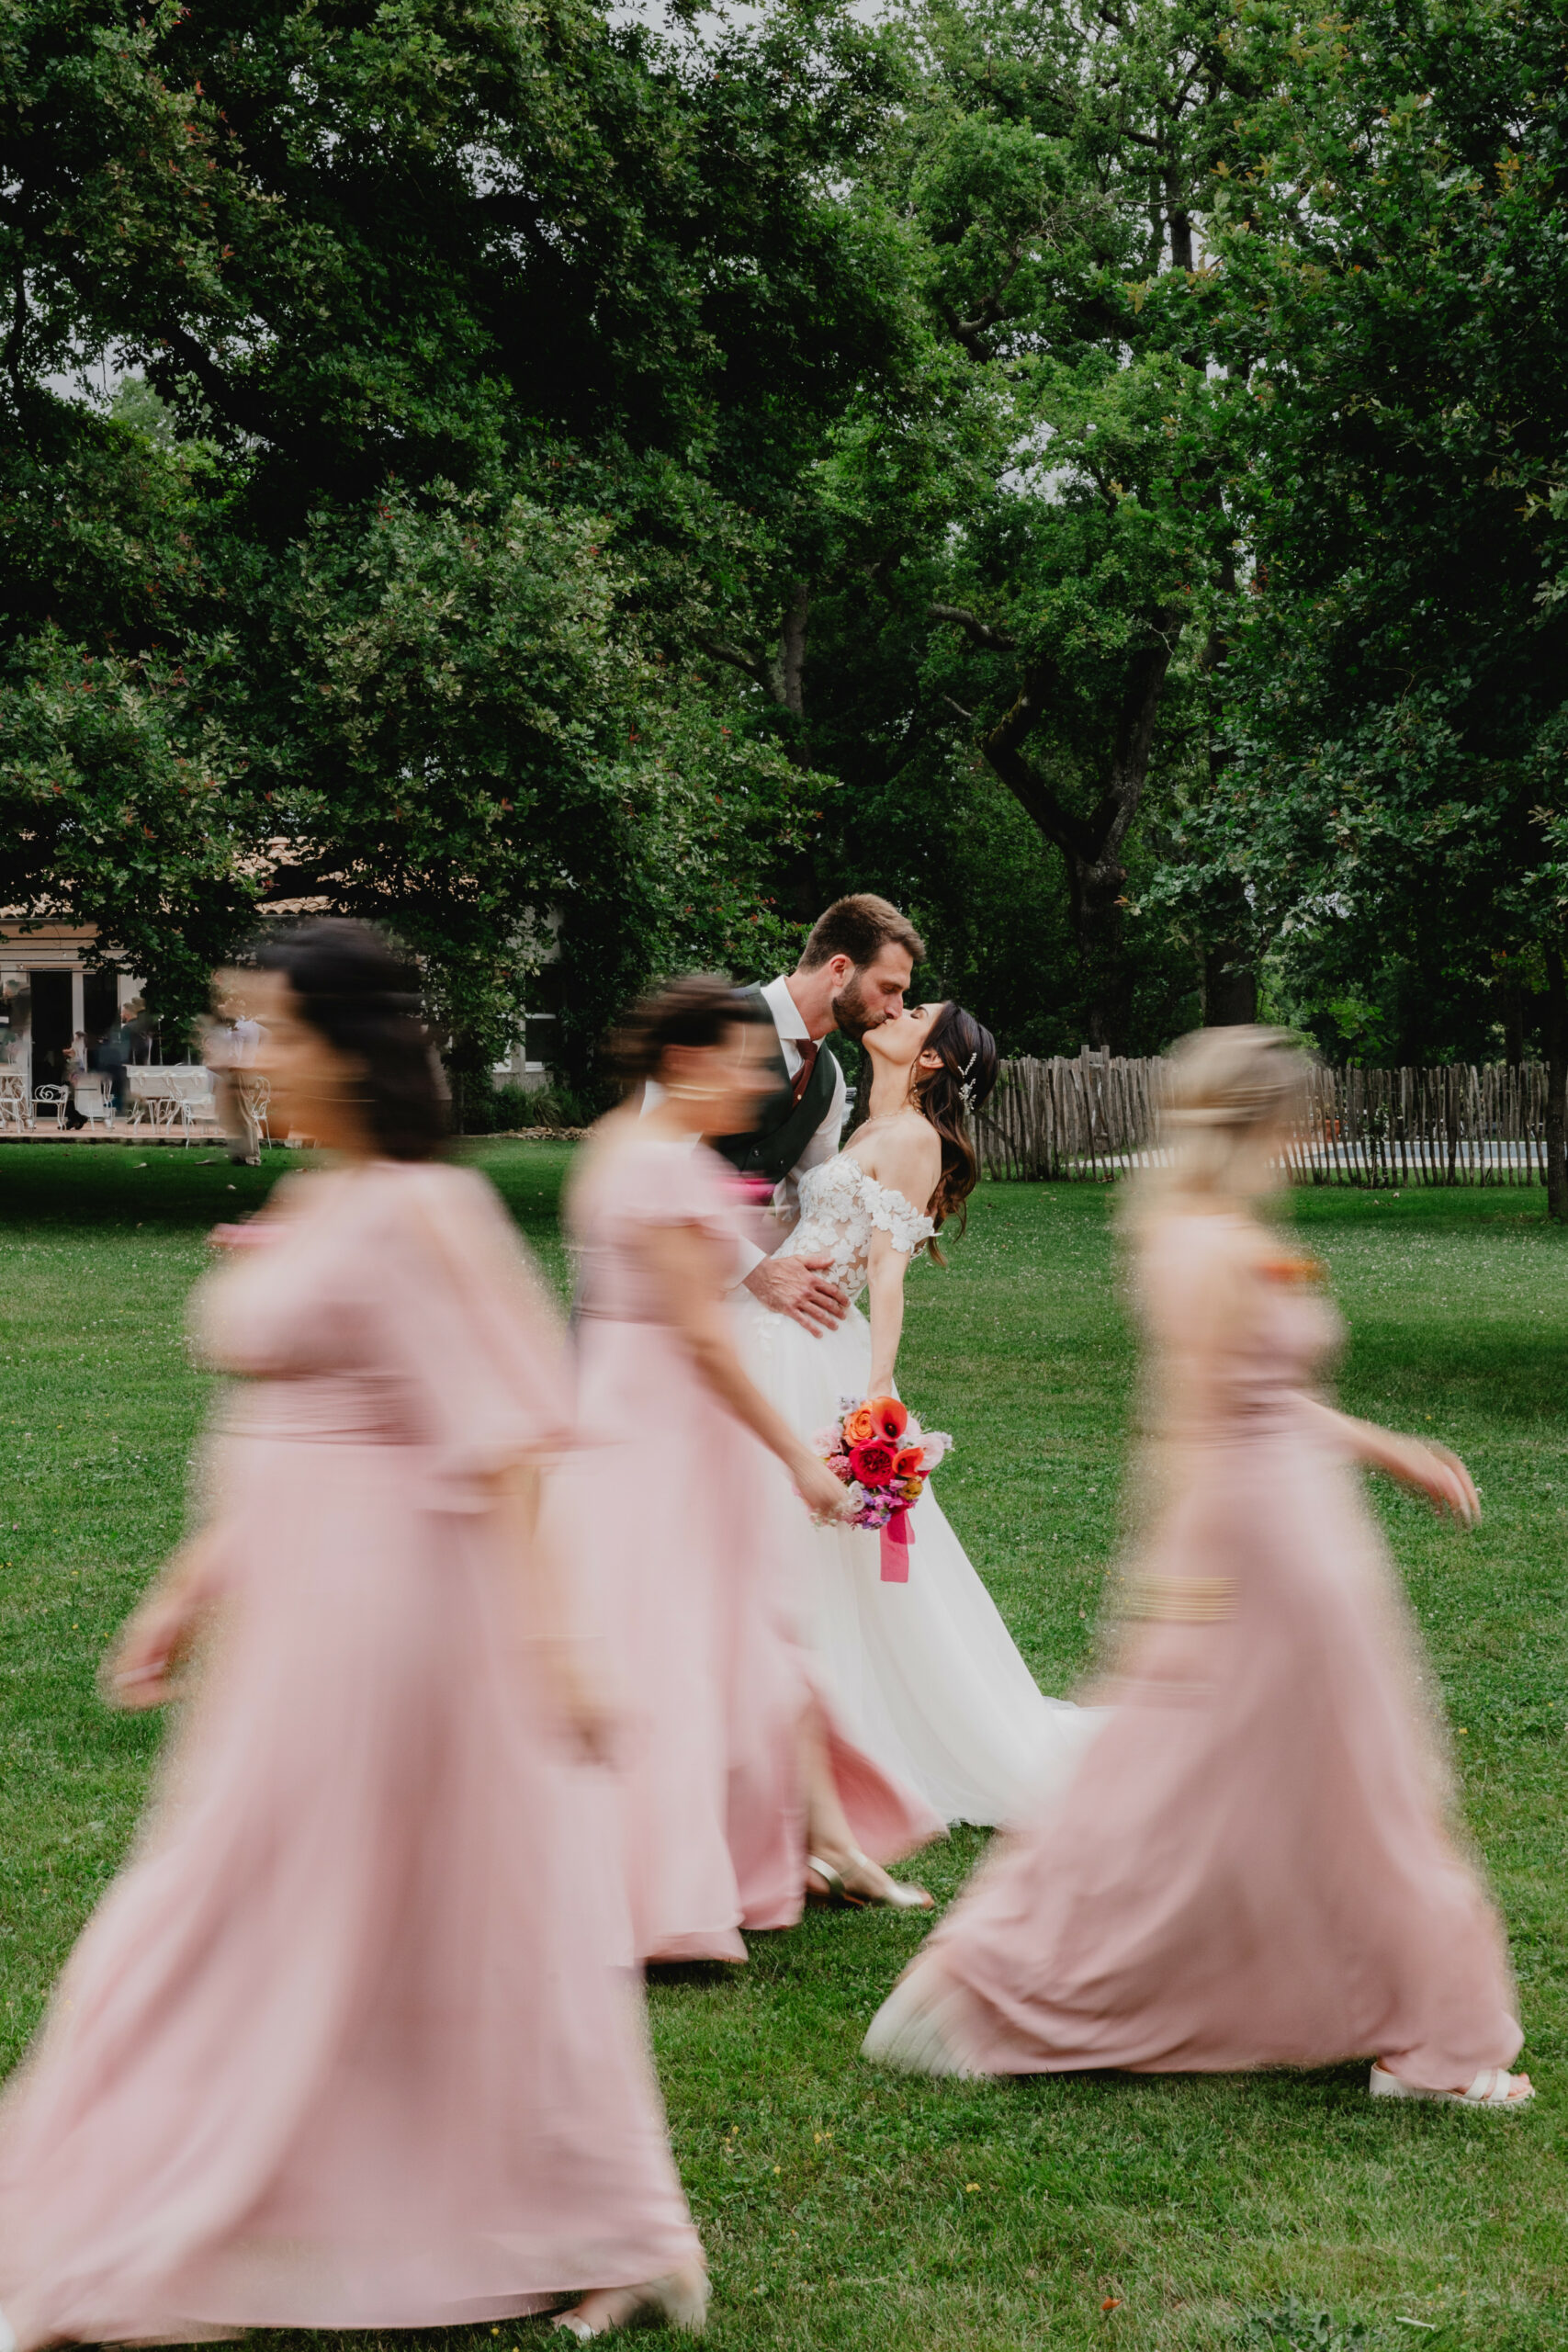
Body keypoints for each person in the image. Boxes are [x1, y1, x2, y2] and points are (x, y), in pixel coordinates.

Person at [0, 920, 706, 2352]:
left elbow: (508, 1447)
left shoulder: (420, 1209)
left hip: (388, 1613)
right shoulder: (320, 1201)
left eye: (256, 1026)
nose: (226, 1050)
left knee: (298, 1899)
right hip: (290, 1601)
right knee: (294, 1901)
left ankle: (568, 2218)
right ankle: (239, 2187)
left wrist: (558, 1648)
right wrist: (185, 1590)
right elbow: (278, 1421)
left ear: (345, 1045)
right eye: (226, 1020)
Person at [863, 1025, 1530, 2108]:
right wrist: (1178, 1582)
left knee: (1301, 1779)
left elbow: (1265, 1394)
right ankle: (1004, 1982)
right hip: (1257, 1543)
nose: (1313, 1139)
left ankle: (1397, 2018)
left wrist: (1386, 1448)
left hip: (1305, 1529)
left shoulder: (1223, 1228)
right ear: (1259, 1123)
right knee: (1269, 1781)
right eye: (1300, 1120)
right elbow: (1186, 1423)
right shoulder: (1203, 1245)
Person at [564, 977, 943, 1952]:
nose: (759, 1086)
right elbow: (699, 1339)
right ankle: (667, 1876)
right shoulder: (665, 1173)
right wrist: (797, 1460)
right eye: (743, 1066)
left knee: (726, 1639)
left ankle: (821, 1839)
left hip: (622, 1413)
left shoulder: (620, 1149)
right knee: (698, 1646)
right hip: (667, 1432)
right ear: (689, 1062)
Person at [735, 994, 1102, 1828]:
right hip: (773, 1317)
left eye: (915, 1014)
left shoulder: (911, 1141)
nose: (894, 1010)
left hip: (812, 1345)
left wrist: (876, 1388)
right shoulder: (861, 1124)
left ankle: (828, 1749)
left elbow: (888, 1270)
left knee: (802, 1539)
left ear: (931, 1057)